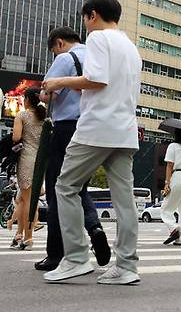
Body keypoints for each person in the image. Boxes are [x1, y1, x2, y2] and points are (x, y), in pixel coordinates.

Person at [42, 0, 142, 285]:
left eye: (86, 19)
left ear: (92, 15)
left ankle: (75, 258)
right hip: (124, 131)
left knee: (65, 186)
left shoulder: (98, 39)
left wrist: (59, 81)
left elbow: (97, 80)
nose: (86, 25)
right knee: (125, 201)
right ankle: (126, 265)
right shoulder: (131, 47)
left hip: (97, 128)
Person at [34, 27, 110, 271]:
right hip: (92, 128)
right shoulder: (96, 55)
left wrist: (48, 93)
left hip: (66, 127)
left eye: (53, 51)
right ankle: (94, 226)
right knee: (78, 188)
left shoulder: (66, 58)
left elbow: (47, 93)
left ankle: (56, 253)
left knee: (59, 188)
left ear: (58, 43)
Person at [10, 87, 45, 250]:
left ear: (27, 100)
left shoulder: (22, 116)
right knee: (28, 200)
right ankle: (23, 236)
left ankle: (28, 238)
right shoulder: (44, 117)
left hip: (26, 159)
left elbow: (16, 137)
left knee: (27, 200)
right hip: (40, 161)